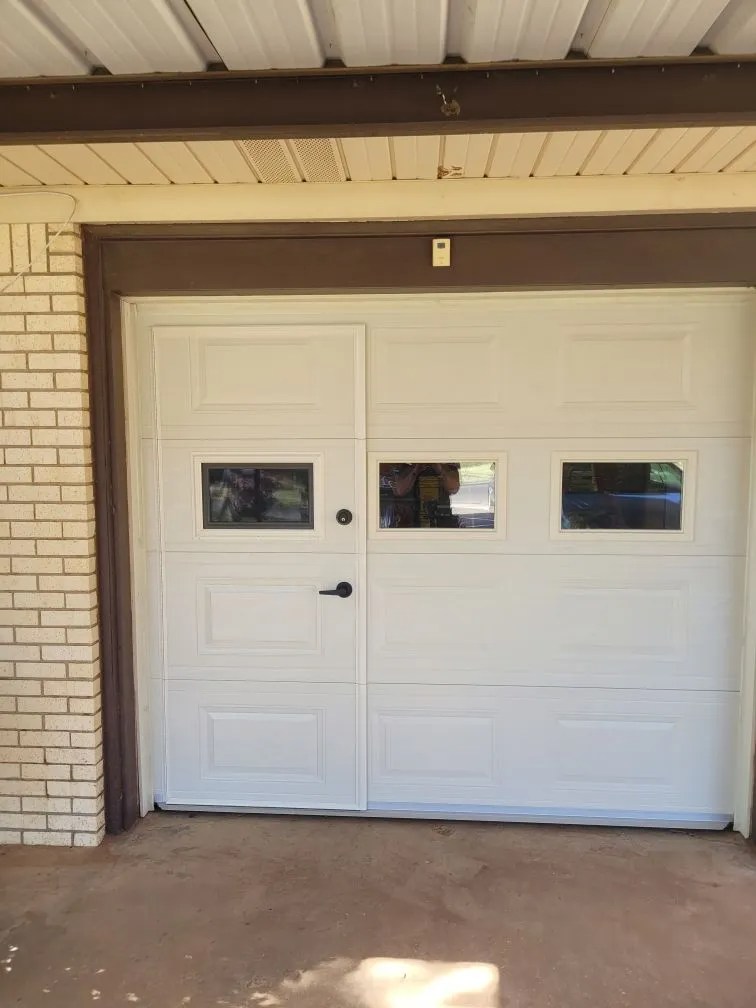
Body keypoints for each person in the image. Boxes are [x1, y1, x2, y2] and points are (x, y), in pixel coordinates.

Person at [379, 462, 460, 528]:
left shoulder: (447, 463)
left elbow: (454, 488)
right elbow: (399, 490)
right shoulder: (407, 464)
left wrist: (440, 469)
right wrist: (416, 469)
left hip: (442, 521)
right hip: (414, 523)